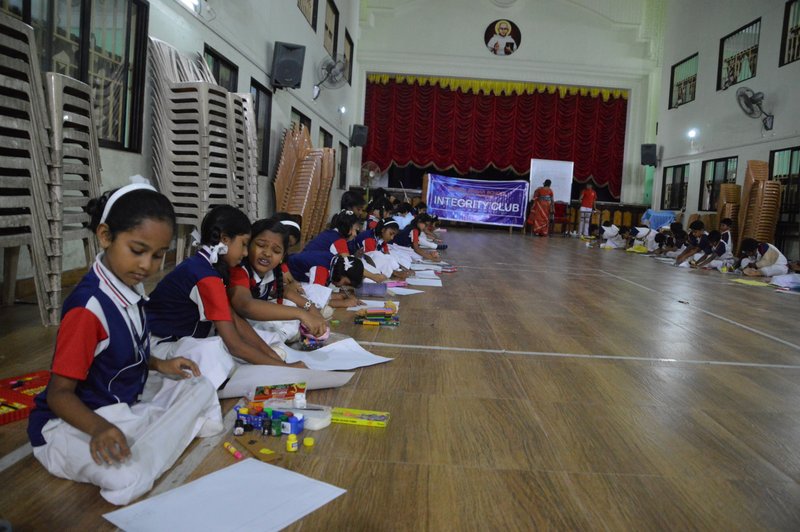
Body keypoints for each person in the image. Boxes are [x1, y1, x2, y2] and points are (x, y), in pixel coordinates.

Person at [27, 184, 222, 506]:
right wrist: (98, 428)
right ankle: (165, 433)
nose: (147, 264)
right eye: (137, 250)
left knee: (200, 384)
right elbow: (58, 394)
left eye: (158, 255)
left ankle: (157, 433)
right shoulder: (87, 309)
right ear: (105, 236)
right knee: (128, 478)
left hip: (122, 405)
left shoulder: (131, 289)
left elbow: (127, 349)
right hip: (71, 423)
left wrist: (160, 364)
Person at [146, 205, 293, 383]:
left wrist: (271, 356)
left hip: (180, 339)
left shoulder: (208, 267)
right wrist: (286, 369)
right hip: (157, 347)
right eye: (243, 244)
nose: (245, 253)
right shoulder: (205, 275)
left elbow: (235, 320)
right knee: (215, 350)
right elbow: (234, 344)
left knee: (254, 343)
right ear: (224, 240)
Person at [228, 218, 328, 342]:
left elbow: (285, 291)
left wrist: (311, 308)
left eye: (276, 251)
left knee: (289, 305)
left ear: (282, 257)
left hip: (251, 327)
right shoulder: (240, 271)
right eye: (261, 245)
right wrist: (301, 314)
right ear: (248, 245)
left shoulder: (271, 273)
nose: (267, 253)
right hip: (232, 331)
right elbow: (246, 305)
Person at [287, 252, 365, 308]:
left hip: (299, 281)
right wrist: (343, 303)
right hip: (285, 284)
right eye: (345, 283)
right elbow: (312, 302)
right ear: (340, 274)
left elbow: (319, 290)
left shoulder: (334, 263)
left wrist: (343, 296)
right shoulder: (321, 270)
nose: (343, 286)